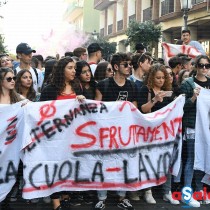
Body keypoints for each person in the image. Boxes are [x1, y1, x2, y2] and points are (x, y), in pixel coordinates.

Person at [40, 56, 85, 210]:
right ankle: (55, 201)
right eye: (70, 68)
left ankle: (66, 195)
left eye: (74, 68)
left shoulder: (77, 87)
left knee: (69, 165)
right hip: (55, 136)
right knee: (55, 166)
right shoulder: (50, 89)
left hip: (73, 135)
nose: (74, 71)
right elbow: (41, 113)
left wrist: (82, 101)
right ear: (62, 70)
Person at [94, 52, 137, 210]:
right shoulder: (103, 85)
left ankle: (122, 197)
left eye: (130, 64)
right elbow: (96, 109)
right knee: (104, 163)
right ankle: (101, 198)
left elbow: (135, 109)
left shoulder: (132, 85)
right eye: (126, 64)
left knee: (123, 163)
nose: (129, 67)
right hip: (106, 133)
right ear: (117, 66)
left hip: (124, 134)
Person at [137, 63, 179, 205]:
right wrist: (155, 99)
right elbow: (142, 109)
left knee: (166, 160)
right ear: (151, 78)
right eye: (158, 78)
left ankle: (167, 192)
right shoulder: (145, 90)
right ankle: (148, 191)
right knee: (149, 160)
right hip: (148, 132)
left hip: (164, 132)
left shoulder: (168, 91)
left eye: (163, 78)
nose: (161, 80)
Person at [179, 55, 210, 207]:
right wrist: (193, 98)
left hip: (207, 127)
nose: (204, 68)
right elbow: (180, 107)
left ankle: (200, 191)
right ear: (195, 66)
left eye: (207, 65)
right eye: (201, 65)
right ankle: (186, 194)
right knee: (191, 160)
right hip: (192, 126)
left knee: (204, 159)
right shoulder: (188, 83)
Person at [0, 67, 23, 210]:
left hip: (12, 146)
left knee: (11, 175)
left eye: (13, 78)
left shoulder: (17, 98)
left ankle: (5, 203)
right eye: (9, 79)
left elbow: (35, 108)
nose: (13, 81)